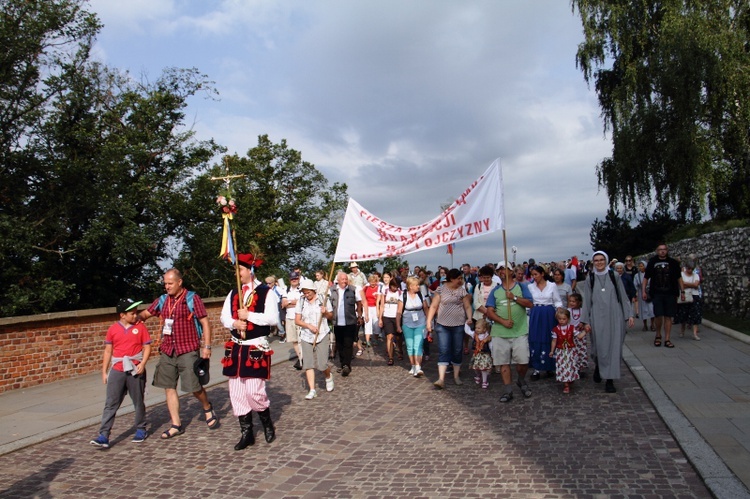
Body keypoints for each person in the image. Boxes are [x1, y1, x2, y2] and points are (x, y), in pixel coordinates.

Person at [139, 268, 218, 439]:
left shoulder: (191, 299)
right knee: (169, 386)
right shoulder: (162, 300)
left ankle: (207, 407)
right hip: (168, 349)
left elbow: (205, 322)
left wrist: (207, 346)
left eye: (170, 283)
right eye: (165, 283)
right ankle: (176, 424)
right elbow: (146, 313)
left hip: (188, 349)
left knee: (194, 387)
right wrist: (132, 318)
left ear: (179, 282)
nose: (166, 287)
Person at [219, 254, 279, 449]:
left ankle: (266, 422)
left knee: (254, 392)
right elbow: (224, 317)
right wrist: (234, 322)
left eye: (240, 270)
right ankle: (247, 433)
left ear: (250, 271)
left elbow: (272, 319)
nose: (238, 274)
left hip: (255, 346)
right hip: (236, 347)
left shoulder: (265, 292)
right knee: (236, 393)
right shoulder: (233, 292)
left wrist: (249, 315)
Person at [90, 298, 152, 448]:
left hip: (134, 368)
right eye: (132, 313)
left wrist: (142, 363)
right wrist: (104, 372)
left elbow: (147, 347)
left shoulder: (140, 328)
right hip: (117, 369)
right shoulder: (113, 329)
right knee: (111, 403)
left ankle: (140, 428)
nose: (135, 315)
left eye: (136, 312)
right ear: (122, 315)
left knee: (138, 401)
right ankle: (104, 435)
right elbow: (108, 351)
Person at [580, 251, 634, 393]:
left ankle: (610, 380)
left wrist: (629, 314)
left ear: (606, 261)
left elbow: (622, 295)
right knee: (598, 347)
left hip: (614, 316)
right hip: (597, 316)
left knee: (614, 348)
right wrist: (585, 320)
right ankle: (599, 365)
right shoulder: (589, 278)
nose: (599, 263)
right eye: (596, 260)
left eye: (601, 260)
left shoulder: (614, 276)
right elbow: (586, 300)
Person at [485, 264, 534, 402]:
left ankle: (521, 380)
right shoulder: (495, 291)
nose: (502, 271)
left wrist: (514, 297)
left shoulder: (521, 287)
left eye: (504, 268)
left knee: (523, 361)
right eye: (499, 269)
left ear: (511, 271)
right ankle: (508, 390)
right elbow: (489, 311)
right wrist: (502, 321)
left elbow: (530, 304)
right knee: (503, 362)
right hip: (500, 332)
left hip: (519, 331)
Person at [426, 268, 473, 389]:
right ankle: (441, 378)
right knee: (444, 349)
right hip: (443, 324)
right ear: (452, 278)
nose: (460, 280)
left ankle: (456, 376)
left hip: (458, 324)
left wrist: (469, 318)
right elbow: (433, 306)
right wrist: (429, 322)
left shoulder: (462, 291)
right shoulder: (441, 289)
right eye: (458, 278)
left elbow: (467, 306)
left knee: (457, 350)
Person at [295, 278, 335, 399]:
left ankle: (328, 376)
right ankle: (312, 390)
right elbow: (297, 320)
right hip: (307, 335)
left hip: (322, 333)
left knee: (322, 364)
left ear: (313, 290)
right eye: (304, 292)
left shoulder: (323, 299)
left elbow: (330, 316)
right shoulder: (301, 301)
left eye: (308, 292)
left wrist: (326, 312)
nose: (306, 295)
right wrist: (308, 326)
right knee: (308, 364)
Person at [642, 243, 683, 348]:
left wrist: (682, 291)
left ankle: (667, 338)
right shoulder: (652, 262)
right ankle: (658, 334)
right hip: (657, 293)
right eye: (660, 249)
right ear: (657, 251)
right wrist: (643, 291)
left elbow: (679, 278)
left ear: (667, 250)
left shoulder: (673, 263)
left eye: (664, 249)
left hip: (670, 293)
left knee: (668, 316)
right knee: (658, 315)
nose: (662, 251)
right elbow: (646, 278)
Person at [528, 265, 563, 381]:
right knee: (535, 338)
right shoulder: (530, 287)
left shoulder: (552, 286)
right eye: (532, 275)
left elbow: (557, 301)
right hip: (536, 313)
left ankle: (549, 366)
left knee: (549, 337)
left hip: (548, 313)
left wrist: (559, 312)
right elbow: (529, 302)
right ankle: (536, 368)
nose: (534, 277)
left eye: (536, 274)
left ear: (542, 274)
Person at [329, 271, 363, 377]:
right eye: (342, 279)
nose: (344, 281)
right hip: (337, 321)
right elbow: (328, 303)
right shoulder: (332, 290)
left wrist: (360, 315)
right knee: (339, 344)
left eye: (346, 279)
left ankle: (347, 365)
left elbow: (359, 302)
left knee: (348, 344)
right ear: (338, 280)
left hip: (350, 321)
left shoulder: (353, 289)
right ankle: (342, 363)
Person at [396, 276, 429, 377]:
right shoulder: (403, 296)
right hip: (407, 323)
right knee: (410, 346)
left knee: (418, 345)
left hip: (420, 322)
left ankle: (418, 367)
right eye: (416, 285)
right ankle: (413, 365)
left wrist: (428, 322)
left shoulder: (420, 294)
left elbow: (426, 308)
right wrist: (398, 325)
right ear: (410, 286)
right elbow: (398, 312)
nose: (418, 286)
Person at [549, 308, 578, 393]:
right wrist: (552, 351)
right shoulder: (556, 329)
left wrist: (585, 331)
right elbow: (554, 341)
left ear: (568, 319)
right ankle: (566, 384)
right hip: (561, 351)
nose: (561, 321)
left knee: (571, 365)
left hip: (570, 351)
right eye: (560, 319)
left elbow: (579, 336)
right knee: (563, 367)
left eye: (564, 319)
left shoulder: (571, 328)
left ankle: (570, 378)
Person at [674, 259, 702, 341]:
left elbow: (696, 284)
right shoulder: (681, 274)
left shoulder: (695, 275)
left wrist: (686, 284)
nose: (690, 270)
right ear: (686, 267)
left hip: (694, 295)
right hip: (685, 295)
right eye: (689, 268)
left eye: (692, 269)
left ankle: (695, 333)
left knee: (695, 314)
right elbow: (680, 284)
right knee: (683, 314)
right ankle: (682, 331)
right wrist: (692, 285)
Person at [281, 271, 303, 368]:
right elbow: (283, 304)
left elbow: (301, 302)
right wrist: (293, 302)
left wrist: (289, 303)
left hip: (299, 317)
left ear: (298, 278)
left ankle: (302, 358)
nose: (294, 280)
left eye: (296, 278)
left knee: (300, 339)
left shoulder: (301, 289)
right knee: (293, 339)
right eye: (292, 279)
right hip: (289, 317)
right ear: (289, 280)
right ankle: (300, 358)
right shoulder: (286, 290)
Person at [380, 278, 404, 365]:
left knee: (398, 337)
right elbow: (382, 305)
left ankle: (400, 350)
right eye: (394, 286)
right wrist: (380, 318)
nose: (395, 288)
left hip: (397, 316)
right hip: (387, 316)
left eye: (396, 287)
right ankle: (391, 357)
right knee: (389, 336)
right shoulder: (385, 292)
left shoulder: (400, 293)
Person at [567, 293, 589, 378]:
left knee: (581, 351)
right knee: (572, 351)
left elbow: (585, 320)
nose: (572, 303)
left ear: (579, 302)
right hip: (572, 334)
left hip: (580, 334)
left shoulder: (582, 311)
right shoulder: (568, 311)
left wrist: (583, 324)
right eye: (570, 301)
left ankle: (581, 367)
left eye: (574, 301)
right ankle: (573, 366)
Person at [361, 274, 382, 353]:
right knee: (367, 322)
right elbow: (362, 296)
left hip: (375, 307)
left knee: (376, 324)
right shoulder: (366, 288)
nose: (373, 283)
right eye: (371, 282)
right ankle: (367, 341)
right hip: (367, 307)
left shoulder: (379, 288)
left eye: (374, 282)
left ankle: (375, 339)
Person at [468, 319, 492, 389]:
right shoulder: (475, 335)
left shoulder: (488, 337)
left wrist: (492, 353)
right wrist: (467, 324)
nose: (477, 330)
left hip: (485, 355)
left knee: (483, 369)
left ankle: (484, 381)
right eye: (476, 328)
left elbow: (491, 345)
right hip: (477, 354)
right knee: (476, 368)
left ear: (484, 329)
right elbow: (468, 331)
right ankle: (478, 376)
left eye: (479, 328)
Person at [633, 260, 655, 331]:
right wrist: (635, 293)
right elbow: (635, 284)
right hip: (641, 292)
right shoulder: (637, 275)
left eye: (642, 266)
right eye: (639, 266)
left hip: (649, 292)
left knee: (651, 309)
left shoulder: (650, 274)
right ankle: (645, 325)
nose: (640, 267)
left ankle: (652, 324)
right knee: (643, 309)